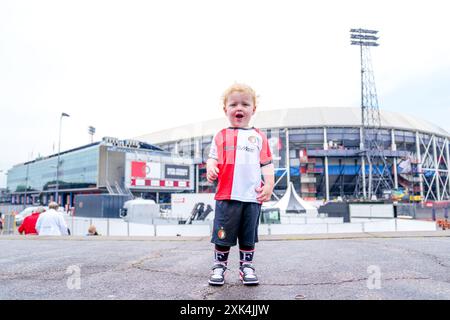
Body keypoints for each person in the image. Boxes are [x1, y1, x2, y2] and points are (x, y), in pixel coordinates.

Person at [206, 83, 275, 286]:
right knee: (222, 235)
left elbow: (267, 163)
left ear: (253, 109)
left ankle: (246, 267)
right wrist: (211, 168)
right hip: (226, 196)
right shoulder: (220, 135)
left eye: (245, 104)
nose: (239, 108)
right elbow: (212, 158)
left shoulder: (259, 136)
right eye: (234, 104)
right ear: (225, 109)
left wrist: (269, 185)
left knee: (248, 236)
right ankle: (219, 267)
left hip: (252, 197)